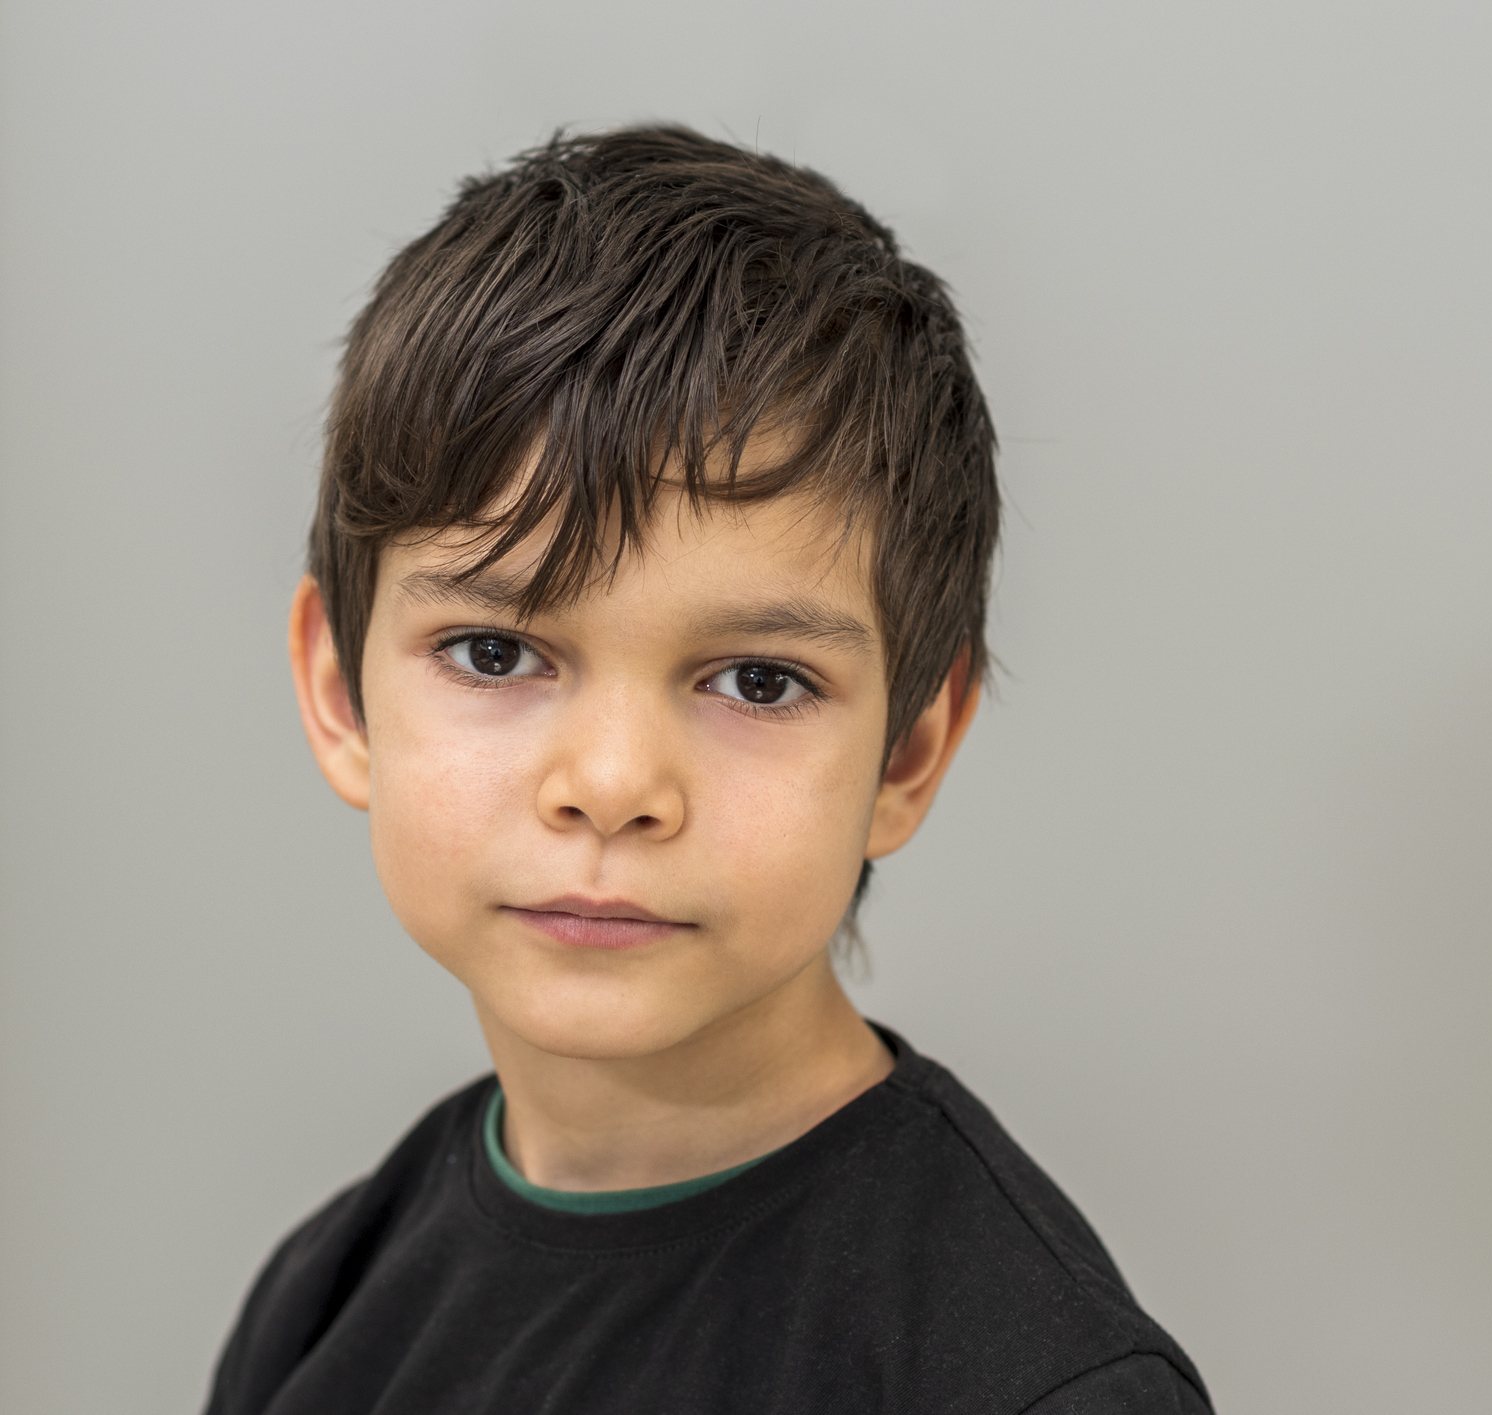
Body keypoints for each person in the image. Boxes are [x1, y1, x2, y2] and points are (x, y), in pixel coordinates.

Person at [204, 124, 1210, 1415]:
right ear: (342, 691)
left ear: (909, 749)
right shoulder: (326, 1302)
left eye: (757, 682)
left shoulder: (1021, 1382)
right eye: (498, 653)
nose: (615, 783)